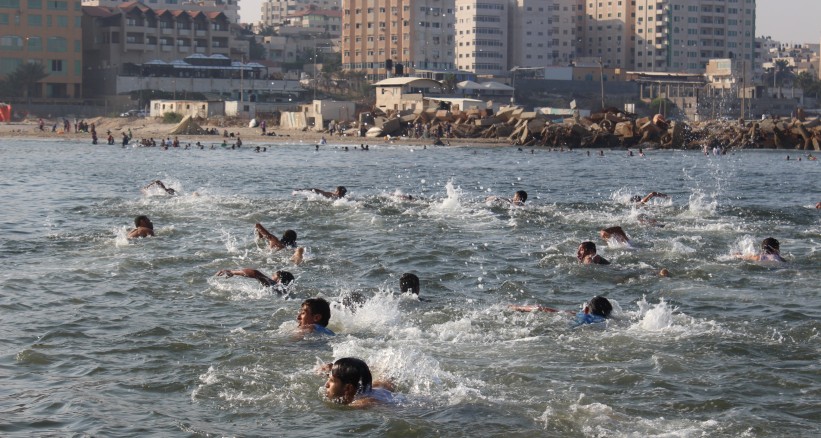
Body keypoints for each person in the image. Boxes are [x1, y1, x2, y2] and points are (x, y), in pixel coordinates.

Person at [324, 357, 395, 406]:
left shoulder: (361, 404)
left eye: (331, 380)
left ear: (348, 388)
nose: (326, 385)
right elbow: (386, 377)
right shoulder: (378, 388)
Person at [511, 296, 614, 327]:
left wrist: (519, 308)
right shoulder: (605, 320)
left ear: (586, 309)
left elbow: (541, 309)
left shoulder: (581, 315)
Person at [215, 268, 294, 292]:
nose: (271, 276)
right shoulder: (284, 290)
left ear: (279, 280)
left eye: (274, 275)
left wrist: (232, 272)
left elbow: (255, 273)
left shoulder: (274, 285)